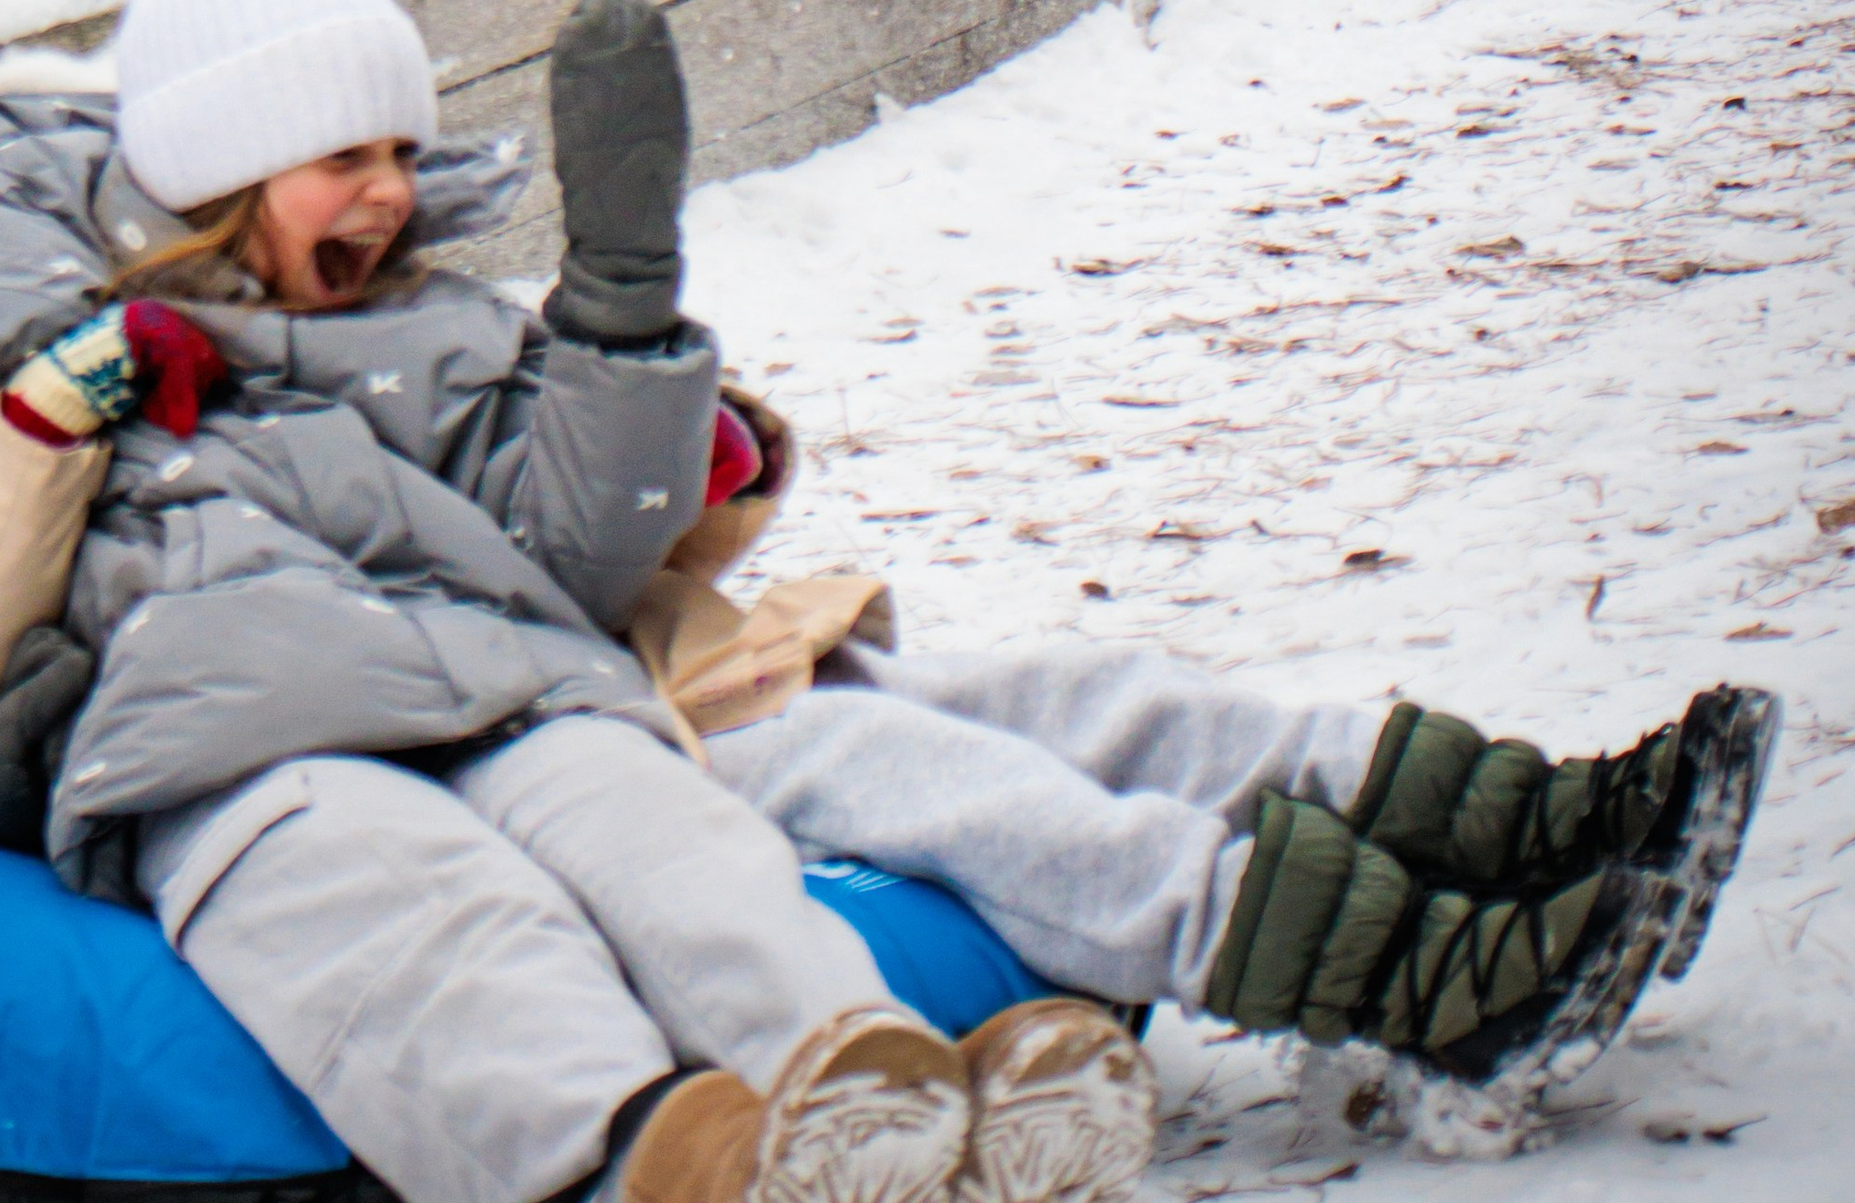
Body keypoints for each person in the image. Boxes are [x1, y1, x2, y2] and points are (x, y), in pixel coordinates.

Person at [0, 0, 1157, 1203]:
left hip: (510, 681)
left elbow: (578, 556)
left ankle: (893, 1137)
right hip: (238, 744)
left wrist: (622, 314)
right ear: (223, 171)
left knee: (682, 851)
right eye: (347, 159)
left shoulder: (421, 317)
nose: (394, 195)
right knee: (449, 938)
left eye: (404, 154)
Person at [639, 394, 1780, 1100]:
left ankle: (1525, 819)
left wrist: (692, 430)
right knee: (972, 797)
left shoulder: (469, 342)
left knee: (1098, 697)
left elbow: (635, 520)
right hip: (610, 752)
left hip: (715, 666)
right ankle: (1431, 983)